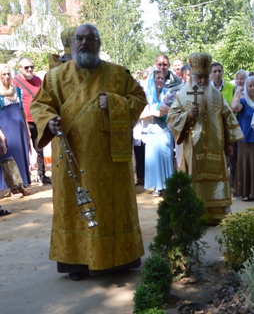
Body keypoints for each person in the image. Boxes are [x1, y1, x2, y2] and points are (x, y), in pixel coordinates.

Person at [31, 23, 147, 281]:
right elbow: (40, 105)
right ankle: (76, 263)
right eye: (79, 39)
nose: (84, 43)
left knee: (110, 209)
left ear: (99, 44)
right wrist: (49, 121)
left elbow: (139, 98)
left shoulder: (118, 75)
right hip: (71, 158)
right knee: (74, 208)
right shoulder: (56, 77)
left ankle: (118, 260)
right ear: (73, 45)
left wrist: (117, 103)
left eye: (91, 39)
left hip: (109, 161)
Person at [167, 52, 243, 225]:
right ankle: (196, 213)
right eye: (198, 77)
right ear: (192, 76)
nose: (201, 81)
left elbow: (228, 117)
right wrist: (187, 116)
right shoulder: (183, 95)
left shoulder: (216, 95)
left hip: (216, 146)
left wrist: (229, 143)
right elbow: (171, 118)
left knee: (216, 177)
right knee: (195, 179)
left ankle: (217, 214)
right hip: (193, 149)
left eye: (204, 77)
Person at [14, 57, 52, 185]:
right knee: (23, 150)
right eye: (26, 67)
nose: (30, 69)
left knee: (39, 147)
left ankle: (42, 176)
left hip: (36, 120)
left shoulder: (37, 81)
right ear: (19, 68)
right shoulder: (15, 82)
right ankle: (23, 179)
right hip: (21, 122)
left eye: (32, 67)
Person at [139, 70, 174, 197]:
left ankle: (168, 185)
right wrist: (153, 113)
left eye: (162, 78)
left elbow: (175, 111)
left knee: (167, 158)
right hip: (152, 132)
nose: (160, 80)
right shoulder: (146, 96)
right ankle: (157, 187)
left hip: (165, 131)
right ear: (152, 81)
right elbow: (139, 115)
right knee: (154, 160)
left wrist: (167, 111)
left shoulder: (168, 94)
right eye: (157, 78)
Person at [0, 64, 31, 197]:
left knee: (21, 156)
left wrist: (27, 129)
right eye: (3, 74)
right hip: (6, 129)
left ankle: (21, 186)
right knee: (8, 158)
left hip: (19, 128)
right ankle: (12, 188)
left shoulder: (17, 90)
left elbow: (22, 111)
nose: (6, 76)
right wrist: (0, 134)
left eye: (8, 74)